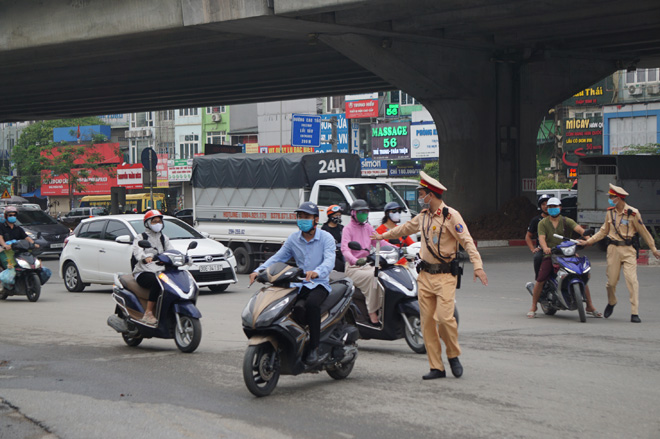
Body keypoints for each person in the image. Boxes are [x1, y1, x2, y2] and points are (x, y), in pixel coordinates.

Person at [371, 172, 487, 380]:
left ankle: (453, 355)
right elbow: (404, 229)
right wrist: (382, 236)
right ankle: (437, 367)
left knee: (444, 319)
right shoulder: (422, 216)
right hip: (424, 276)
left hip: (445, 276)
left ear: (431, 195)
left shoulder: (451, 216)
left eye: (422, 194)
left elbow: (467, 241)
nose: (420, 198)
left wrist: (477, 265)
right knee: (427, 324)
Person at [249, 202, 335, 365]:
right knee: (289, 307)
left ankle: (314, 348)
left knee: (311, 305)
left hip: (319, 283)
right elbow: (278, 257)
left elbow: (330, 260)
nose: (303, 220)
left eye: (307, 217)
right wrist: (258, 271)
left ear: (316, 219)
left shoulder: (326, 238)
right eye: (300, 217)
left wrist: (317, 271)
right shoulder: (293, 239)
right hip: (299, 284)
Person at [578, 184, 660, 323]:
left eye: (612, 197)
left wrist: (653, 249)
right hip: (613, 250)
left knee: (632, 281)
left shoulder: (633, 213)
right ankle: (612, 301)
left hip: (629, 250)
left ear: (619, 198)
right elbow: (603, 231)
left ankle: (634, 312)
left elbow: (644, 232)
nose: (610, 199)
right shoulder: (610, 213)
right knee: (611, 283)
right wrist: (588, 242)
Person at [529, 197, 601, 319]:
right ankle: (533, 306)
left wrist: (589, 239)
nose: (552, 209)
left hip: (568, 253)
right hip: (551, 254)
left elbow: (580, 230)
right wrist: (545, 248)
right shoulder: (543, 223)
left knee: (580, 275)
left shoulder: (567, 221)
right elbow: (541, 238)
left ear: (560, 207)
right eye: (550, 207)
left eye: (555, 207)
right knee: (541, 278)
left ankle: (589, 305)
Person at [341, 199, 390, 326]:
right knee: (373, 278)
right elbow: (345, 249)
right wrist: (355, 260)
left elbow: (379, 242)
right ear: (353, 213)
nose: (364, 214)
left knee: (384, 275)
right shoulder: (348, 229)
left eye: (366, 212)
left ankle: (383, 310)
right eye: (360, 212)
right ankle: (372, 312)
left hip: (368, 264)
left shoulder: (368, 227)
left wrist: (397, 249)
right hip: (354, 268)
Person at [132, 210, 174, 325]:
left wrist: (182, 258)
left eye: (159, 221)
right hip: (144, 271)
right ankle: (148, 313)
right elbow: (138, 253)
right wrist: (146, 258)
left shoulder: (163, 238)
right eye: (154, 221)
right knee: (158, 282)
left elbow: (171, 251)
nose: (158, 224)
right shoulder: (140, 237)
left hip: (160, 270)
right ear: (147, 224)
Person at [525, 194, 551, 278]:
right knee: (537, 258)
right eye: (543, 204)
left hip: (558, 247)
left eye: (548, 204)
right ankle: (539, 278)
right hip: (542, 249)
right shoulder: (536, 220)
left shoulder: (559, 219)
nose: (546, 206)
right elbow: (528, 236)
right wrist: (533, 249)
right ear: (540, 206)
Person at [321, 204, 345, 272]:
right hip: (331, 254)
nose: (338, 217)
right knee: (340, 266)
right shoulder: (324, 229)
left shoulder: (342, 228)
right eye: (336, 215)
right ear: (330, 216)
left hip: (343, 252)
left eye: (340, 215)